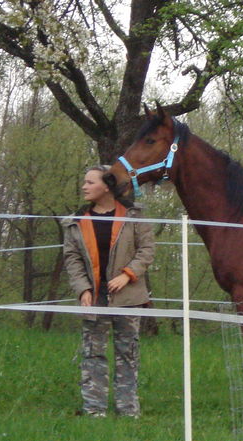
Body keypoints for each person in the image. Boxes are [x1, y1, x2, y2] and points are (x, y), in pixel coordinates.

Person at [62, 165, 155, 418]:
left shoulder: (134, 216)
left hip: (129, 297)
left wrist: (127, 275)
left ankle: (128, 412)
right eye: (84, 182)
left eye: (90, 182)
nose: (84, 186)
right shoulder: (76, 221)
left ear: (106, 186)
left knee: (128, 354)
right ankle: (94, 411)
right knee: (93, 354)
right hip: (94, 299)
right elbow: (72, 259)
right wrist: (83, 290)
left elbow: (146, 251)